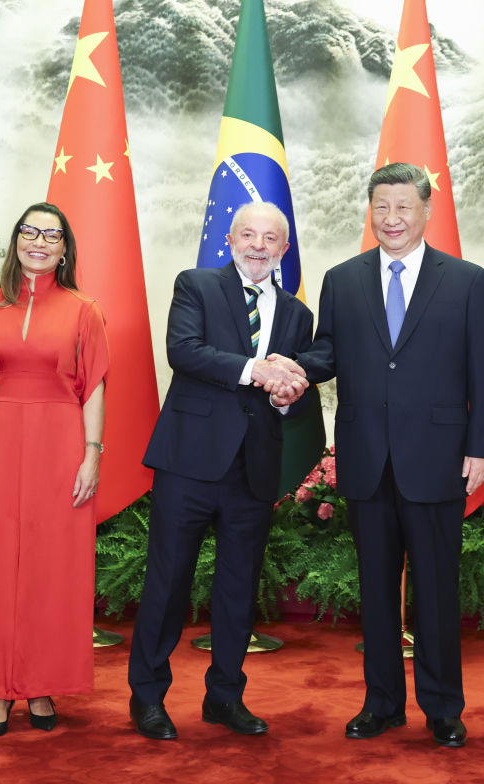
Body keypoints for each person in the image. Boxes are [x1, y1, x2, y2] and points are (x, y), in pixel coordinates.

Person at [278, 162, 484, 748]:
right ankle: (381, 704)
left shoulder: (465, 280)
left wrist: (481, 448)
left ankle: (443, 708)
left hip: (439, 457)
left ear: (426, 210)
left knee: (436, 589)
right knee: (376, 589)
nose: (392, 218)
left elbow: (483, 368)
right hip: (367, 457)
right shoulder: (343, 279)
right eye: (382, 207)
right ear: (370, 211)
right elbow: (328, 350)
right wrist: (292, 369)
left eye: (403, 207)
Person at [127, 202, 313, 740]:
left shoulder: (298, 315)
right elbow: (184, 352)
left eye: (270, 238)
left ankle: (225, 697)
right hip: (189, 462)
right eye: (248, 234)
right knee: (167, 583)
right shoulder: (197, 285)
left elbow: (290, 394)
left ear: (284, 249)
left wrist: (285, 395)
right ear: (230, 239)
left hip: (253, 470)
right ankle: (147, 698)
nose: (258, 246)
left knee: (238, 589)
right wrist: (258, 370)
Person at [0, 202, 109, 740]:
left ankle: (41, 684)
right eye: (30, 232)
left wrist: (92, 454)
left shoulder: (84, 310)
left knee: (52, 569)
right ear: (16, 240)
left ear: (65, 249)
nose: (39, 242)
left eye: (51, 235)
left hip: (62, 444)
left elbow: (94, 387)